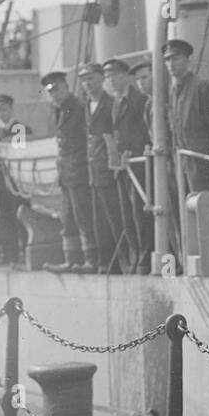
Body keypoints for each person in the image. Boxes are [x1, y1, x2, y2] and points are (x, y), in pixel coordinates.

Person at [41, 71, 98, 274]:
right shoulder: (59, 110)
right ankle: (71, 260)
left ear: (66, 88)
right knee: (67, 218)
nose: (54, 95)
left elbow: (88, 139)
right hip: (66, 173)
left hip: (80, 170)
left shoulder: (78, 108)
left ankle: (91, 259)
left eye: (57, 90)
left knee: (83, 216)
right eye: (51, 92)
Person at [105, 58, 153, 272]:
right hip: (123, 169)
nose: (111, 80)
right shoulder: (116, 102)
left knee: (140, 215)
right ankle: (136, 258)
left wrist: (132, 153)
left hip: (138, 166)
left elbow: (146, 133)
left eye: (114, 75)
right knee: (127, 217)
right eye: (107, 76)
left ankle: (145, 260)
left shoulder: (139, 100)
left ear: (125, 76)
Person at [164, 37, 209, 197]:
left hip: (203, 165)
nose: (171, 64)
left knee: (206, 210)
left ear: (187, 59)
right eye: (168, 60)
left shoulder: (202, 88)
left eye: (176, 58)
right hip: (181, 165)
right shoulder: (173, 93)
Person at [78, 63, 125, 273]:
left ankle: (121, 262)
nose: (88, 84)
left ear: (101, 79)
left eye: (91, 79)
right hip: (93, 171)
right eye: (84, 80)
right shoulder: (87, 105)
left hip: (108, 169)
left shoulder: (110, 103)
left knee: (114, 218)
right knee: (99, 220)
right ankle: (105, 262)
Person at [0, 93, 31, 268]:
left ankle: (25, 254)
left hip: (18, 180)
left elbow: (19, 154)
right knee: (6, 218)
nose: (2, 113)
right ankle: (11, 255)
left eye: (5, 109)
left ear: (11, 109)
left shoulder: (19, 128)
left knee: (21, 215)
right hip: (3, 181)